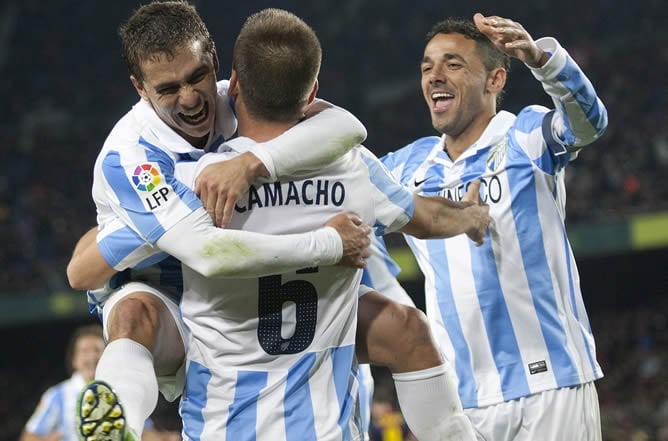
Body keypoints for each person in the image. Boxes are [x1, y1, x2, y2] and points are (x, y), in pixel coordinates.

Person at [171, 8, 486, 439]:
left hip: (221, 427)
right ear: (312, 91)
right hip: (322, 429)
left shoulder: (197, 181)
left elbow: (94, 261)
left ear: (236, 83)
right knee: (409, 327)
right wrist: (472, 217)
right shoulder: (351, 167)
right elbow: (425, 216)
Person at [66, 1, 374, 440]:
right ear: (140, 88)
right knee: (135, 313)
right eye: (168, 89)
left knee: (395, 321)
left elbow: (346, 127)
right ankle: (117, 425)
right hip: (166, 295)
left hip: (235, 300)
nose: (190, 99)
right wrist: (329, 244)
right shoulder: (132, 156)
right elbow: (206, 253)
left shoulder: (240, 98)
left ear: (214, 58)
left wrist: (253, 161)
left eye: (196, 77)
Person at [371, 13, 608, 441]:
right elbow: (344, 196)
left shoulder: (524, 134)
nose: (434, 76)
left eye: (453, 64)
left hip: (551, 386)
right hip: (461, 402)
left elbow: (589, 123)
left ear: (495, 80)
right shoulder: (407, 166)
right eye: (427, 67)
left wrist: (541, 59)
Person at [20, 324, 176, 441]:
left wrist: (165, 438)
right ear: (74, 359)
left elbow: (144, 433)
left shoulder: (123, 391)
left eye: (97, 350)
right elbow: (28, 436)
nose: (91, 357)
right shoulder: (58, 395)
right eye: (85, 351)